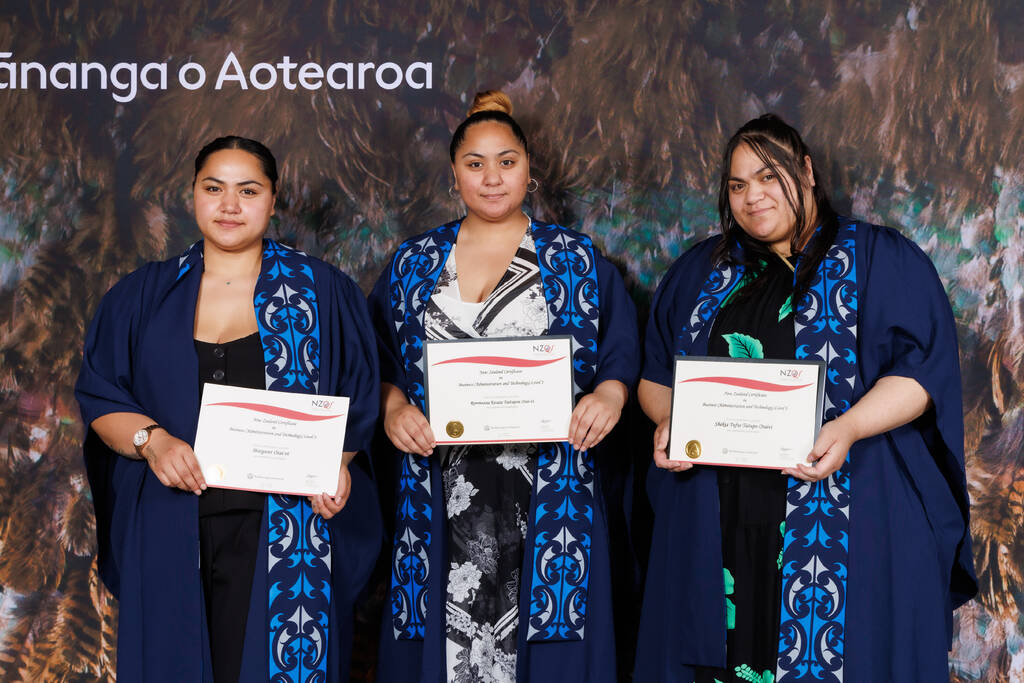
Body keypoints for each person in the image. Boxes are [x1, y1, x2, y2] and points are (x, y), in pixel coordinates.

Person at [633, 114, 977, 682]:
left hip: (853, 513)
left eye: (768, 176)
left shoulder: (878, 259)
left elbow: (920, 374)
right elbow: (655, 376)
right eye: (737, 185)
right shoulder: (699, 271)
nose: (752, 197)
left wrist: (848, 428)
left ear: (807, 172)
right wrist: (669, 419)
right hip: (719, 518)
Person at [75, 136, 382, 683]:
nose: (229, 205)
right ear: (192, 194)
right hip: (171, 524)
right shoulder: (142, 296)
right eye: (214, 188)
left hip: (285, 527)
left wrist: (340, 462)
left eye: (248, 190)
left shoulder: (323, 293)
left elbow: (358, 399)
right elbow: (101, 395)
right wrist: (153, 441)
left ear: (273, 198)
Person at [370, 91, 639, 683]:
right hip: (441, 485)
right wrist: (392, 407)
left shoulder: (575, 260)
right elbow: (378, 363)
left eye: (507, 161)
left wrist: (610, 394)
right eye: (475, 163)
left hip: (549, 487)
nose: (492, 178)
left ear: (529, 169)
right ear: (454, 174)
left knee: (549, 652)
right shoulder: (414, 264)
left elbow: (620, 353)